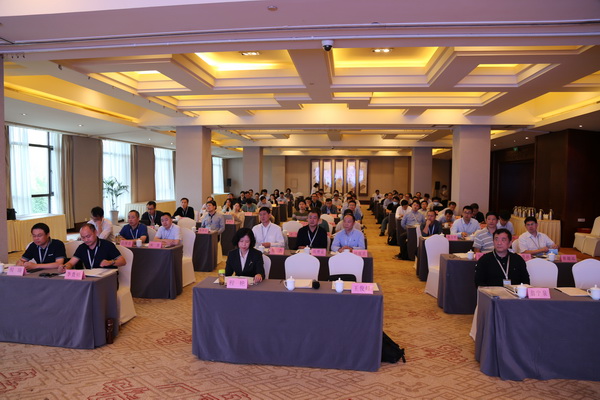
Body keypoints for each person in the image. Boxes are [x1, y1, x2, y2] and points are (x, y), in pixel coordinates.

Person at [60, 224, 125, 271]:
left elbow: (122, 261)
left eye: (88, 236)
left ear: (95, 232)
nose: (86, 240)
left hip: (107, 278)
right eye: (83, 237)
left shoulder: (107, 245)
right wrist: (65, 267)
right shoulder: (82, 247)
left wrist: (110, 262)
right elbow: (71, 263)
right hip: (90, 277)